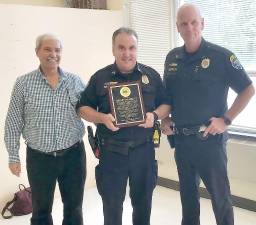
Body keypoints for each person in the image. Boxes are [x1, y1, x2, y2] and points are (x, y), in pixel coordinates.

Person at [161, 3, 255, 225]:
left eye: (194, 22)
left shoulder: (221, 56)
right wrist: (165, 118)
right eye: (184, 23)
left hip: (209, 141)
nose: (189, 27)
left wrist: (226, 119)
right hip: (182, 142)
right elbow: (167, 96)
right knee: (188, 199)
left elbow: (248, 89)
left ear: (202, 24)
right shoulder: (172, 58)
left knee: (220, 200)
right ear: (178, 27)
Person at [77, 27, 170, 225]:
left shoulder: (151, 76)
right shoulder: (100, 78)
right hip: (111, 154)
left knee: (143, 206)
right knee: (112, 208)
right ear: (113, 49)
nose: (127, 53)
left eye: (131, 48)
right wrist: (102, 117)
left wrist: (155, 115)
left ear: (137, 49)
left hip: (143, 152)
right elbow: (82, 108)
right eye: (121, 47)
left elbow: (167, 104)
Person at [4, 34, 86, 225]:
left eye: (57, 50)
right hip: (39, 158)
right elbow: (13, 121)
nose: (53, 54)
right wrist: (13, 156)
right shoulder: (23, 83)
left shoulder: (74, 81)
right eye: (48, 49)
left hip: (73, 156)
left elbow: (90, 109)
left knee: (74, 209)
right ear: (37, 52)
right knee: (41, 211)